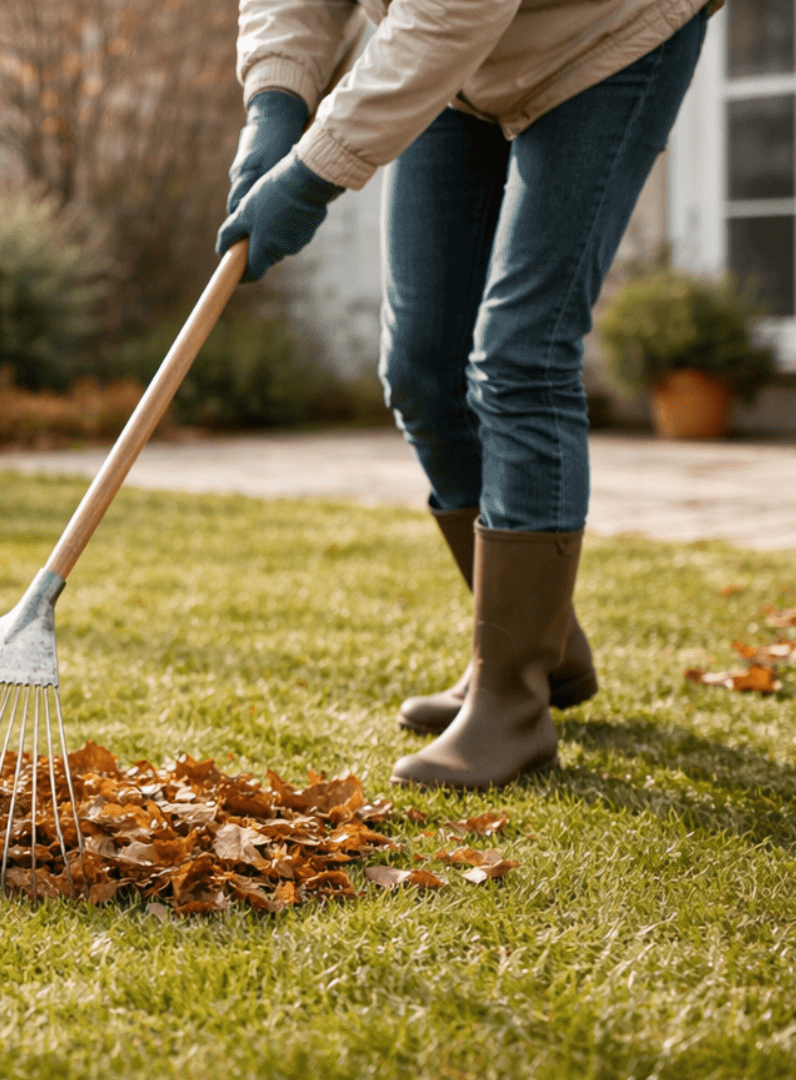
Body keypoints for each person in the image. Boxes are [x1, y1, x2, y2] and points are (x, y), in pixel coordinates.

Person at [219, 0, 714, 790]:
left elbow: (453, 12)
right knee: (421, 369)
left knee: (522, 355)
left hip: (605, 33)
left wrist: (312, 174)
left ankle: (511, 701)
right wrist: (274, 106)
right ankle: (542, 647)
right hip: (457, 68)